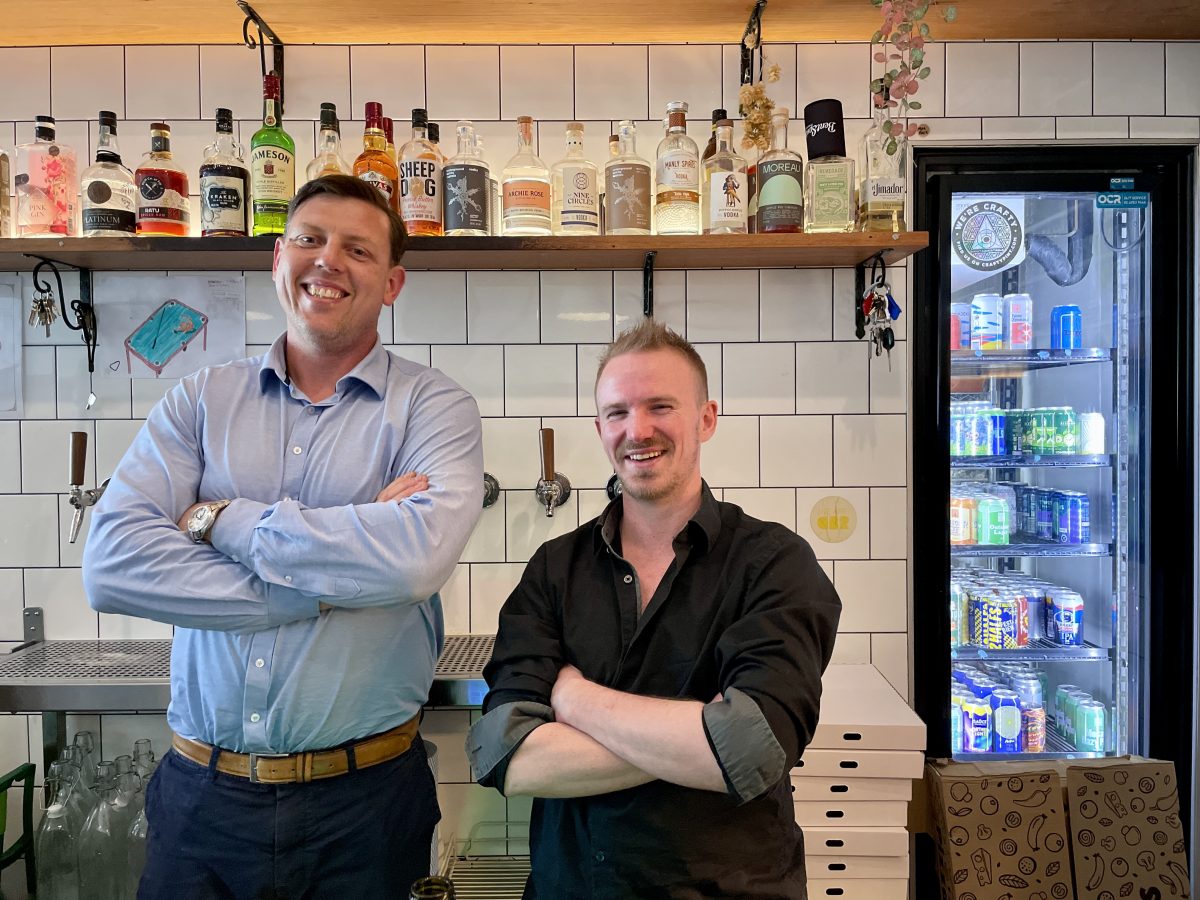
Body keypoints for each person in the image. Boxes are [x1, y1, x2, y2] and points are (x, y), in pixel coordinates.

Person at [83, 174, 484, 899]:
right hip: (202, 800)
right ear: (277, 260)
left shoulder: (434, 408)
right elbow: (111, 564)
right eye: (309, 239)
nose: (328, 261)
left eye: (357, 250)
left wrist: (218, 519)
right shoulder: (200, 400)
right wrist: (334, 583)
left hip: (364, 806)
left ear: (392, 283)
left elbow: (413, 560)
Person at [467, 320, 842, 898]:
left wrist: (572, 697)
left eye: (660, 406)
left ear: (706, 418)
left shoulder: (774, 564)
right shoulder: (553, 570)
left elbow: (751, 749)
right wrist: (699, 734)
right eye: (617, 413)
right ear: (599, 429)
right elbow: (506, 757)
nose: (637, 430)